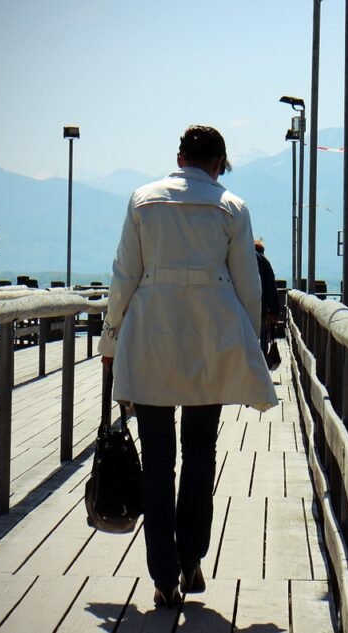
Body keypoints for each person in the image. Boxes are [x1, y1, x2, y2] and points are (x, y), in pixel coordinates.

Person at [98, 125, 278, 608]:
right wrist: (253, 345)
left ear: (179, 157)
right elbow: (249, 287)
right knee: (201, 451)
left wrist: (110, 340)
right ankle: (192, 556)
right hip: (211, 341)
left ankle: (162, 574)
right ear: (220, 162)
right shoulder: (232, 209)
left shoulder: (142, 201)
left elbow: (124, 276)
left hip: (152, 337)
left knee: (158, 460)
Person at [253, 239, 280, 361]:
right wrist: (275, 311)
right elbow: (271, 287)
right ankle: (260, 365)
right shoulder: (264, 262)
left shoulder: (242, 258)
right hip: (260, 307)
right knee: (261, 339)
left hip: (239, 307)